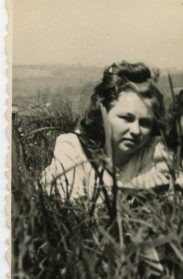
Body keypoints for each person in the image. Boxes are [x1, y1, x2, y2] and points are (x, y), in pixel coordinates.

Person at [42, 61, 171, 200]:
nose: (136, 131)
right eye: (126, 118)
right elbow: (73, 210)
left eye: (145, 123)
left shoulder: (151, 151)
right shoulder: (73, 147)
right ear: (103, 112)